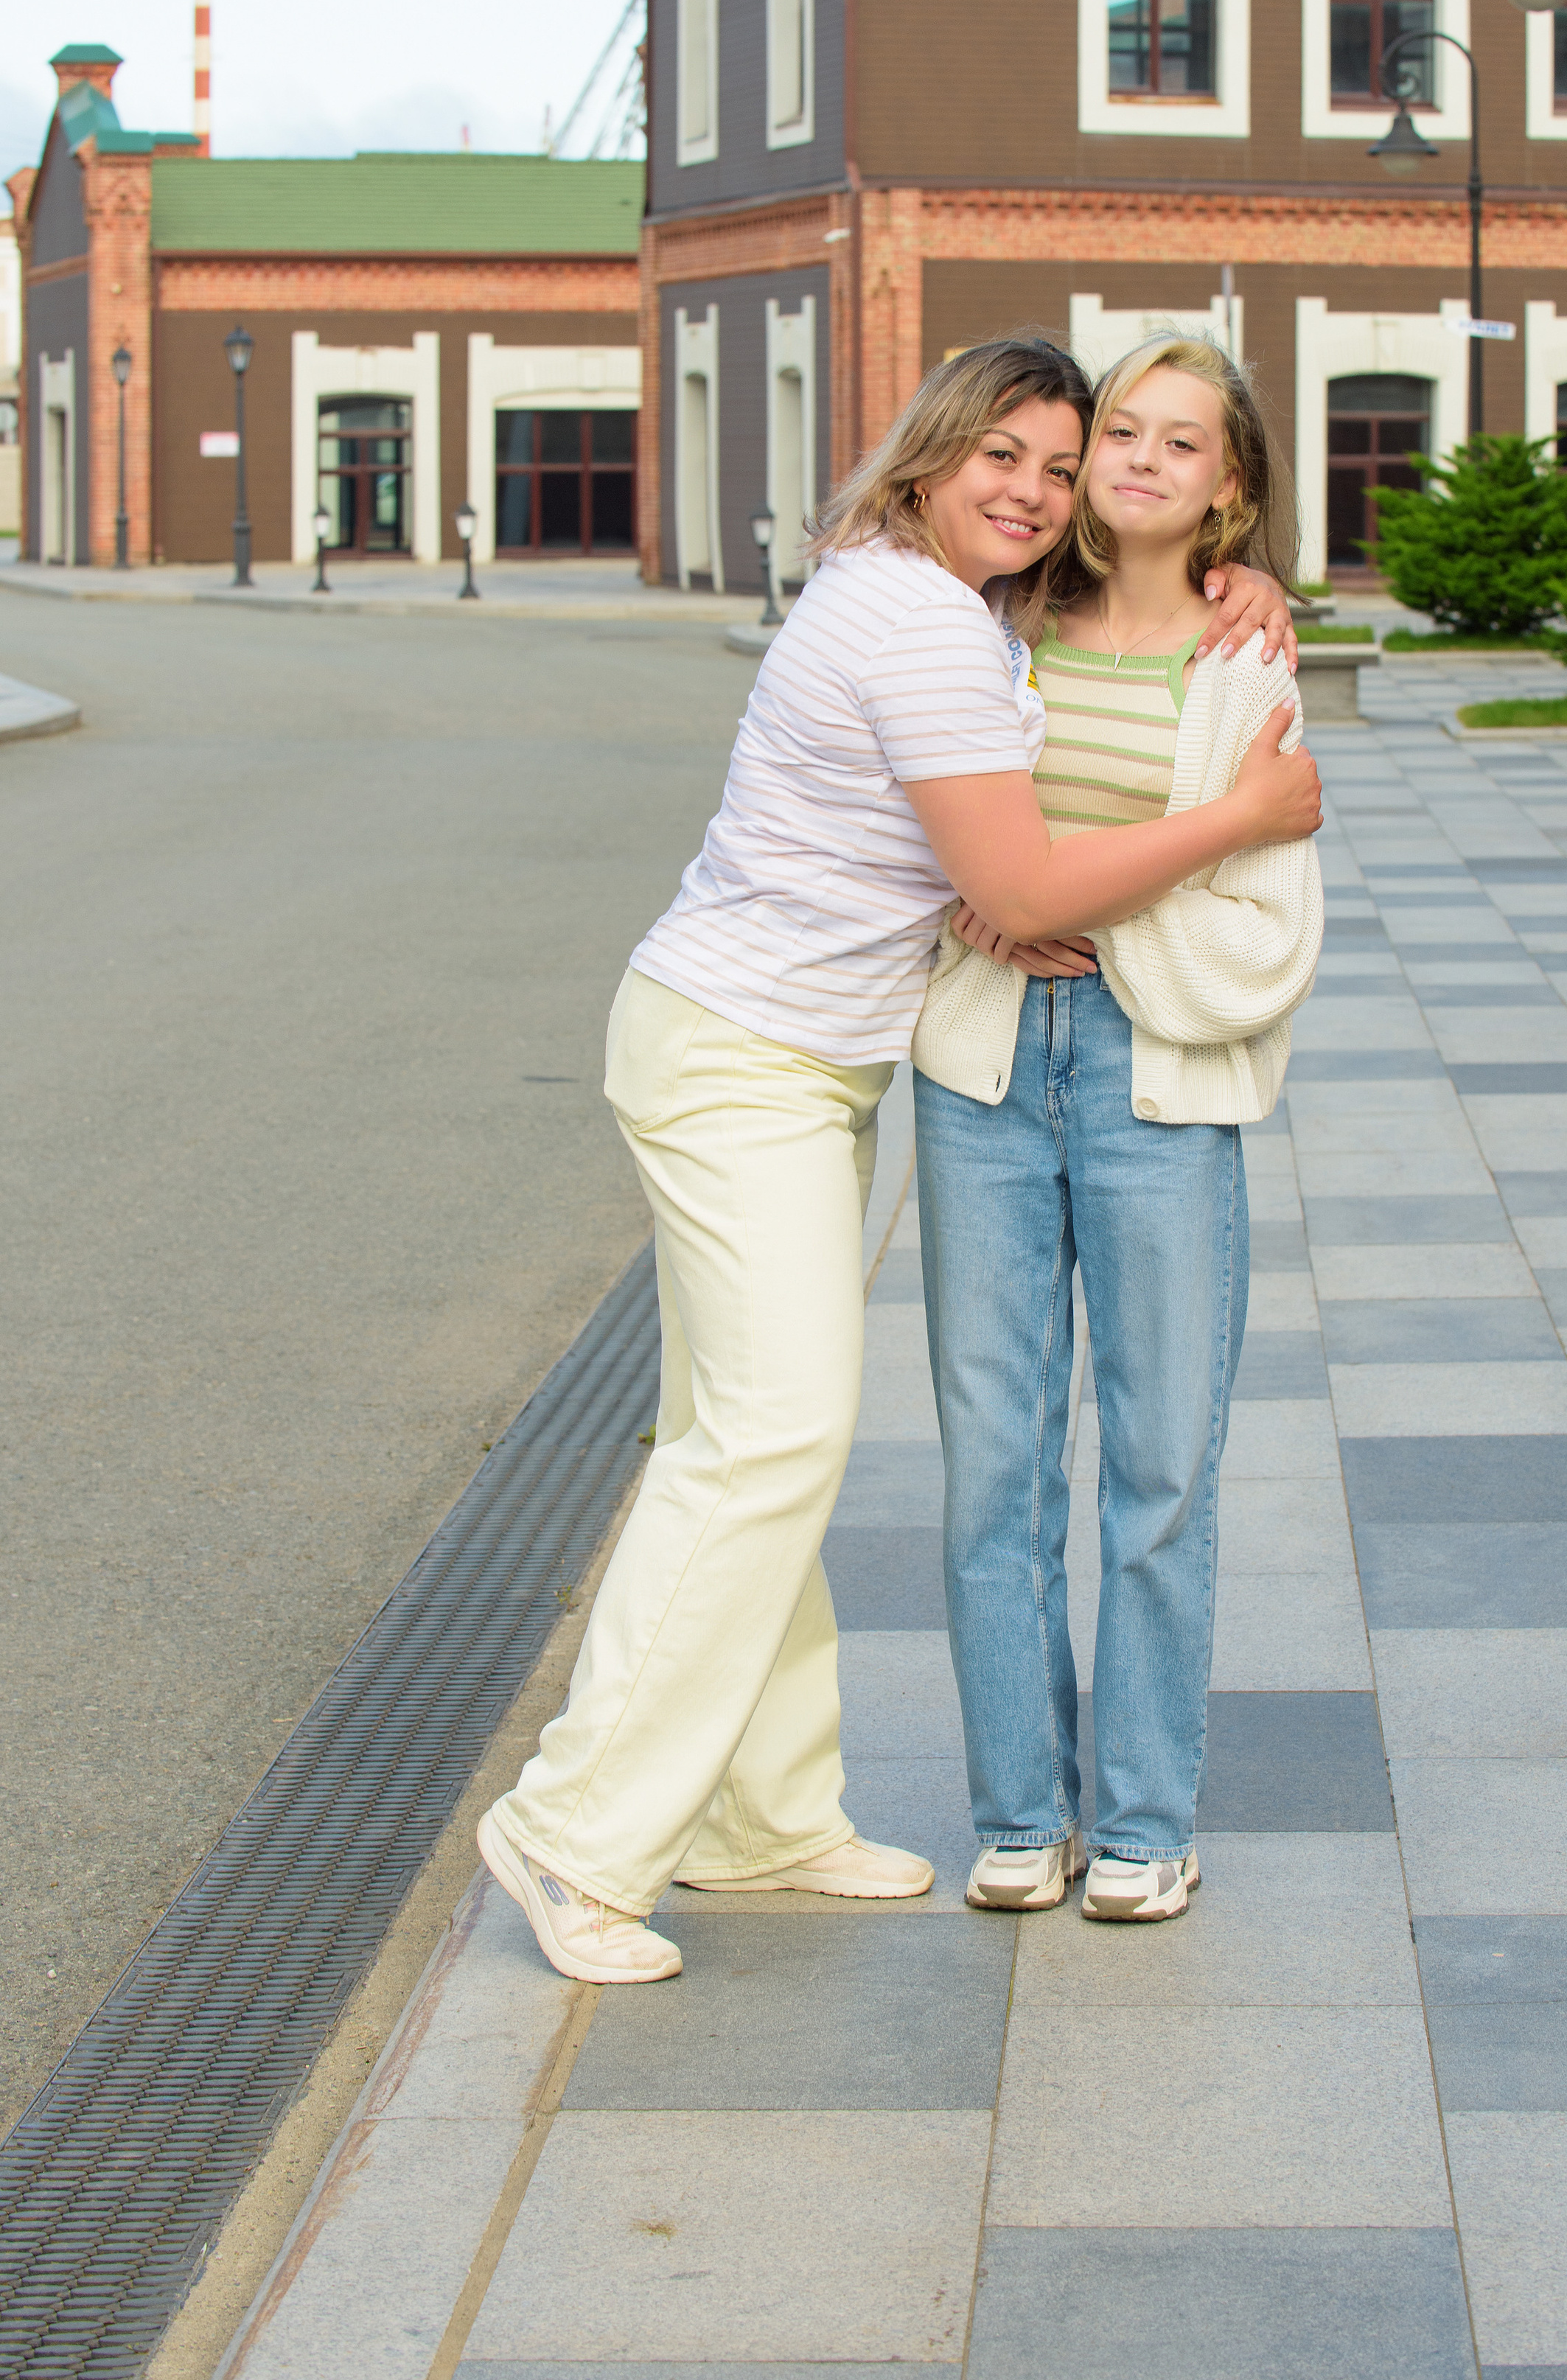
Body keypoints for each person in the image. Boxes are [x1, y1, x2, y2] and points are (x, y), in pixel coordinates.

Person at [477, 335, 1316, 1984]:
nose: (1036, 487)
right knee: (776, 1432)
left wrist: (1248, 588)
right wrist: (1244, 816)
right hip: (750, 1058)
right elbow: (1012, 892)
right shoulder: (928, 622)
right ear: (927, 454)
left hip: (791, 1053)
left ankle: (759, 1812)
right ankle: (575, 1827)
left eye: (1058, 467)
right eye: (1002, 455)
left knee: (739, 1427)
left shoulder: (926, 590)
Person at [912, 335, 1325, 1924]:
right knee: (991, 1464)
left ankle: (1144, 1819)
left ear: (1229, 483)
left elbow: (1260, 936)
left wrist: (1081, 919)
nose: (1139, 460)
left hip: (1158, 1083)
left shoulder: (1246, 673)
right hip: (987, 1073)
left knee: (1159, 1466)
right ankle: (1021, 1810)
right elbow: (916, 822)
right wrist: (988, 911)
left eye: (1180, 441)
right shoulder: (994, 626)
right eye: (1119, 434)